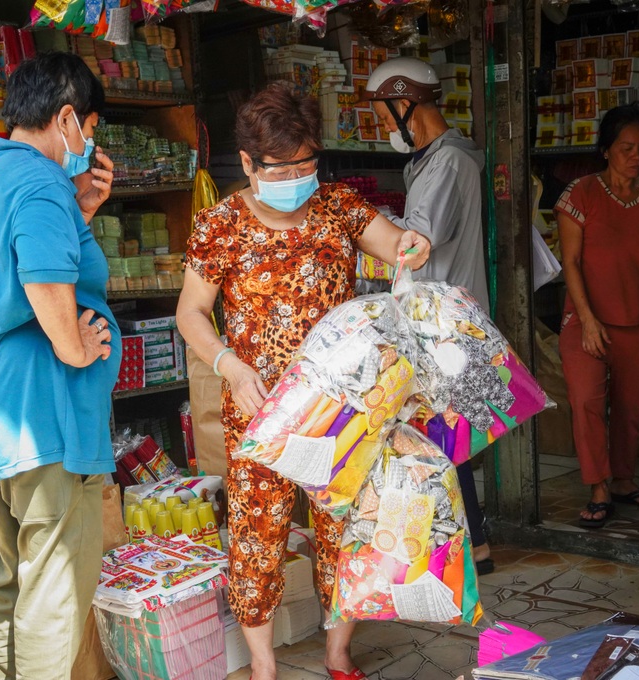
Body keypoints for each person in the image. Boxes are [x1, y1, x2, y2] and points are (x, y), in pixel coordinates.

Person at [176, 82, 430, 680]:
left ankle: (337, 651)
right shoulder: (220, 226)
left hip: (342, 410)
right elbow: (190, 312)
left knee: (341, 528)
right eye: (281, 167)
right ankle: (264, 665)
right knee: (256, 536)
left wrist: (412, 245)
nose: (297, 176)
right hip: (257, 409)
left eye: (307, 164)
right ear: (246, 164)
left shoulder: (339, 206)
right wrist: (229, 366)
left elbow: (394, 244)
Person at [0, 52, 120, 678]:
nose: (91, 143)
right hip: (45, 417)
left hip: (0, 410)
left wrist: (78, 214)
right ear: (67, 116)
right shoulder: (40, 183)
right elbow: (44, 278)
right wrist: (77, 346)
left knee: (13, 580)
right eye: (91, 127)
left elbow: (15, 262)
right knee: (53, 594)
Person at [363, 56, 494, 574]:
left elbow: (413, 246)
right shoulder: (430, 160)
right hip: (433, 319)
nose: (379, 128)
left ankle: (465, 545)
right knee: (436, 435)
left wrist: (361, 227)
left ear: (403, 105)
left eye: (380, 116)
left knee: (437, 437)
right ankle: (468, 543)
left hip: (445, 325)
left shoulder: (448, 163)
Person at [554, 105, 639, 530]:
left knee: (631, 409)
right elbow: (571, 263)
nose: (637, 155)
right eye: (627, 147)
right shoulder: (581, 194)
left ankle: (624, 481)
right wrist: (588, 319)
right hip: (586, 321)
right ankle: (598, 487)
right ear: (606, 150)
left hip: (638, 320)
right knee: (587, 404)